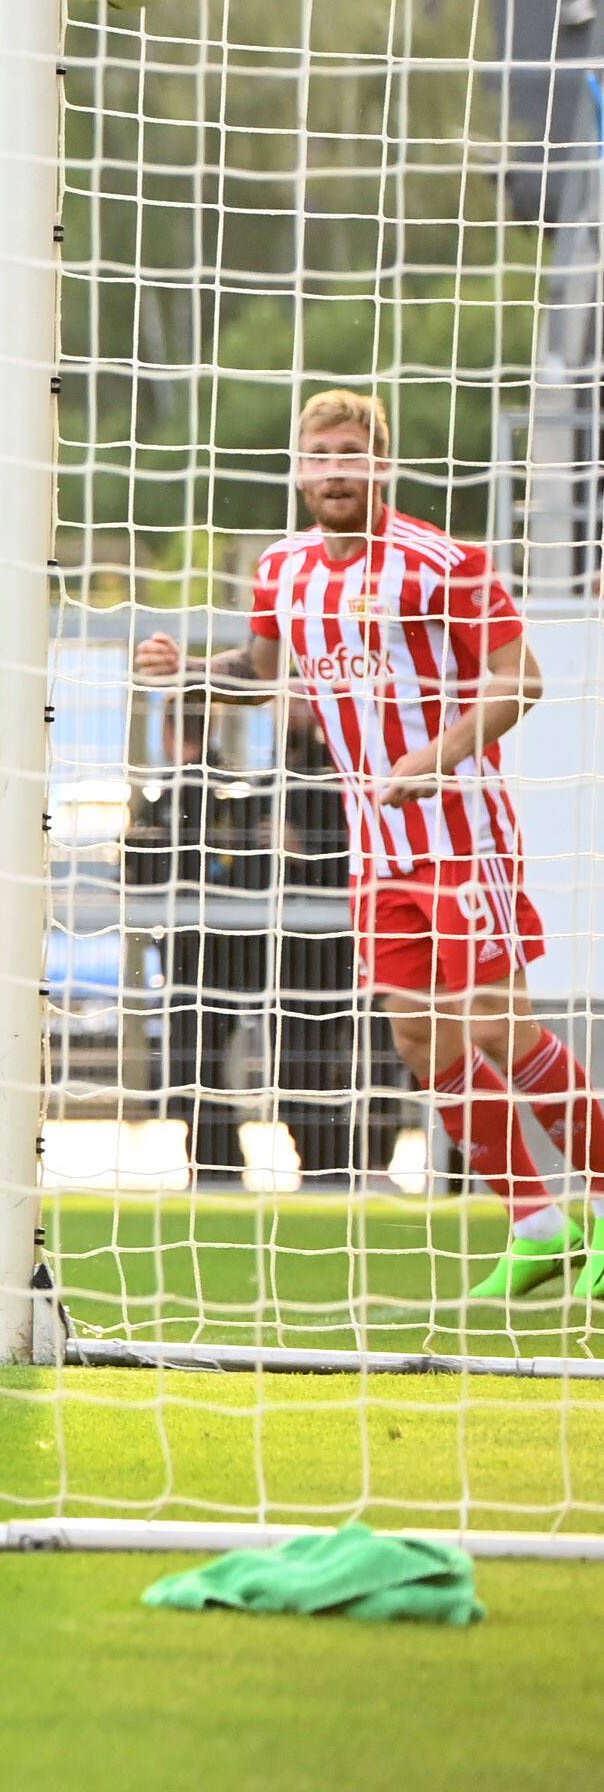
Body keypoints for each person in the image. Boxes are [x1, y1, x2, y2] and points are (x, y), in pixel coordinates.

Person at [140, 389, 600, 1298]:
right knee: (419, 1039)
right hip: (375, 849)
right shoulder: (283, 571)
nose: (335, 471)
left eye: (352, 454)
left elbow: (523, 680)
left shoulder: (446, 563)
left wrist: (436, 757)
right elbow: (263, 672)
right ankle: (539, 1223)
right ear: (299, 468)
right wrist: (190, 670)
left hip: (463, 836)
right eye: (319, 456)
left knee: (502, 1031)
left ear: (381, 465)